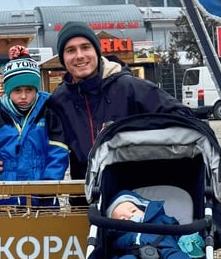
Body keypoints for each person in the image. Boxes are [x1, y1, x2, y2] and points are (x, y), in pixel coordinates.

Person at [50, 21, 198, 180]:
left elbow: (185, 117)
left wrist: (132, 134)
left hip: (132, 192)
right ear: (63, 58)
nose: (79, 55)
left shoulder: (130, 87)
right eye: (70, 50)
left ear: (97, 51)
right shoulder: (60, 98)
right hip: (84, 197)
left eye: (86, 47)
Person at [0, 45, 69, 185]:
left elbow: (58, 151)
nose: (23, 96)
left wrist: (50, 185)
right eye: (17, 90)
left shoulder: (48, 115)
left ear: (36, 89)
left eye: (29, 89)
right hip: (7, 197)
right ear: (8, 91)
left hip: (43, 196)